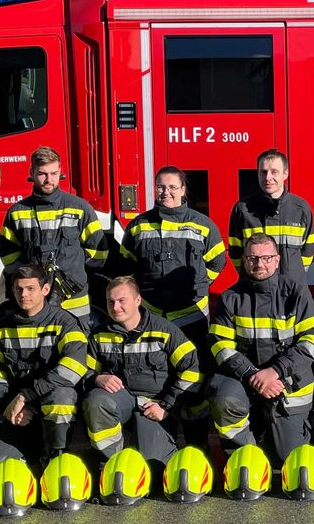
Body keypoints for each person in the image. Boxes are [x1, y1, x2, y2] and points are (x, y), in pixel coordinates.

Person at [109, 165, 223, 445]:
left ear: (183, 190)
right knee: (156, 377)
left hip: (189, 317)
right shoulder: (139, 225)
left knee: (194, 381)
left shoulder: (202, 224)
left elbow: (217, 262)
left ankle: (198, 445)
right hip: (151, 317)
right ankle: (160, 438)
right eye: (161, 187)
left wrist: (195, 287)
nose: (166, 192)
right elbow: (126, 265)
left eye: (173, 187)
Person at [207, 233, 314, 462]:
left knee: (286, 458)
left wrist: (276, 371)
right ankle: (245, 455)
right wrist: (253, 375)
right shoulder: (231, 297)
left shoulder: (296, 292)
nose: (259, 264)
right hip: (244, 380)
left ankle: (292, 432)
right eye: (252, 258)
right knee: (225, 399)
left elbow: (313, 338)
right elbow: (219, 344)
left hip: (286, 383)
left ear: (277, 260)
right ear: (244, 260)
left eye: (266, 257)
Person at [82, 277, 202, 466]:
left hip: (155, 407)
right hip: (121, 402)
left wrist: (166, 406)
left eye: (122, 301)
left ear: (138, 300)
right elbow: (84, 371)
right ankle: (108, 464)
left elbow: (192, 371)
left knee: (153, 468)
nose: (115, 307)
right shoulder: (99, 335)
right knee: (97, 401)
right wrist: (97, 378)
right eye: (110, 302)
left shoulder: (166, 331)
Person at [0, 264, 89, 474]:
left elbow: (73, 368)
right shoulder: (2, 328)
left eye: (31, 288)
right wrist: (7, 405)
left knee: (62, 398)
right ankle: (32, 455)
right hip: (18, 411)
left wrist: (27, 395)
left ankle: (55, 457)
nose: (24, 294)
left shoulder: (65, 323)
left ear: (45, 290)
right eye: (19, 289)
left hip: (49, 405)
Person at [0, 147, 108, 319]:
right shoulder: (17, 212)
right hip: (35, 303)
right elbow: (9, 256)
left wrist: (75, 272)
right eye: (42, 174)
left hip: (74, 304)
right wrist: (28, 280)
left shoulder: (79, 208)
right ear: (32, 173)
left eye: (54, 173)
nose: (49, 180)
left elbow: (99, 253)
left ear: (60, 172)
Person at [227, 149, 314, 288]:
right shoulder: (242, 209)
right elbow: (235, 252)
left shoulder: (301, 208)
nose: (268, 177)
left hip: (292, 289)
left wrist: (295, 273)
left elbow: (308, 249)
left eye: (274, 172)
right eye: (263, 172)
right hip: (255, 289)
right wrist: (251, 274)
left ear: (285, 174)